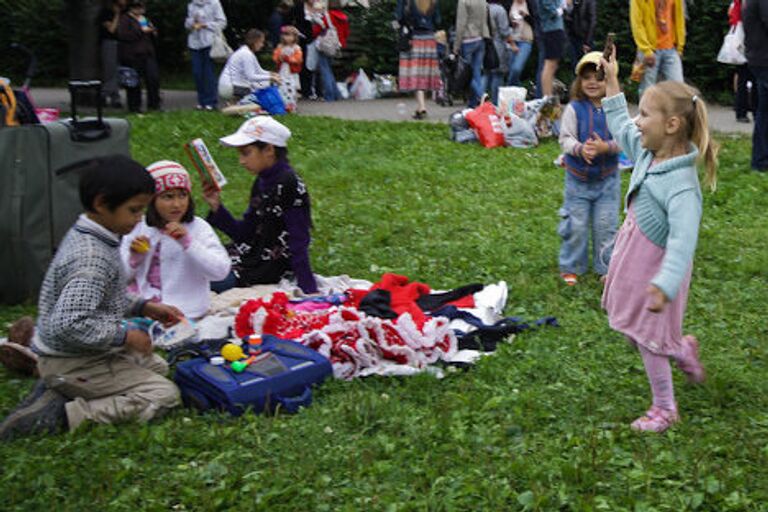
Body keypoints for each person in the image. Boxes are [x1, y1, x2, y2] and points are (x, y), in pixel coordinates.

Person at [0, 155, 183, 441]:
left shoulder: (97, 233)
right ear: (101, 203)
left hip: (85, 353)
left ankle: (57, 388)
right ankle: (62, 415)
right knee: (163, 393)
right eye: (134, 211)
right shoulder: (91, 258)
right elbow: (71, 324)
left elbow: (103, 298)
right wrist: (126, 337)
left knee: (158, 365)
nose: (138, 220)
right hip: (73, 359)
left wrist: (144, 307)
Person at [600, 48, 718, 433]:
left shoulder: (682, 188)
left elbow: (683, 244)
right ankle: (683, 350)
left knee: (648, 340)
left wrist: (664, 285)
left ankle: (665, 408)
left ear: (670, 125)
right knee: (637, 334)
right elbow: (620, 125)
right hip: (635, 265)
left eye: (645, 115)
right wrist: (613, 81)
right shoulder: (649, 154)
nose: (638, 121)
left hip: (658, 276)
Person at [203, 117, 319, 295]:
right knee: (197, 265)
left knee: (204, 278)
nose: (241, 161)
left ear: (269, 150)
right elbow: (245, 233)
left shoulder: (289, 183)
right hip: (248, 255)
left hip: (266, 268)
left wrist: (309, 289)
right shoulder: (262, 181)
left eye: (246, 153)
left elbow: (298, 239)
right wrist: (217, 207)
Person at [120, 161, 231, 320]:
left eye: (183, 195)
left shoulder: (199, 228)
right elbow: (119, 278)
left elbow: (220, 272)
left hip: (186, 313)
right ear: (152, 200)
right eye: (168, 197)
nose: (177, 204)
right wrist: (133, 259)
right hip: (144, 311)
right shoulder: (137, 227)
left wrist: (188, 243)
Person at [557, 51, 621, 286]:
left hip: (607, 181)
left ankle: (606, 268)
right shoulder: (574, 108)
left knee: (606, 226)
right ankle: (572, 266)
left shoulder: (616, 110)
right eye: (586, 78)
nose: (592, 83)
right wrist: (580, 149)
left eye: (599, 77)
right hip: (578, 181)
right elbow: (565, 138)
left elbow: (625, 139)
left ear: (611, 81)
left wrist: (607, 147)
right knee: (576, 225)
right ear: (579, 82)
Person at [395, 0, 442, 119]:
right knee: (425, 74)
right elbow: (438, 20)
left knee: (416, 74)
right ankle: (420, 106)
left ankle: (422, 107)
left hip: (414, 39)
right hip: (430, 39)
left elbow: (399, 17)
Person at [630, 0, 686, 97]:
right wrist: (647, 50)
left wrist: (680, 47)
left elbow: (679, 19)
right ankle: (645, 112)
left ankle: (673, 112)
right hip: (650, 50)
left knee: (679, 89)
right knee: (647, 91)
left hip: (671, 49)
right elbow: (637, 24)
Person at [118, 0, 161, 112]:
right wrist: (142, 31)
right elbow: (123, 36)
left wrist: (152, 32)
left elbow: (152, 34)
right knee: (134, 82)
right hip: (132, 54)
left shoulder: (144, 19)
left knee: (153, 79)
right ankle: (134, 107)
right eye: (138, 7)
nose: (141, 10)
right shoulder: (125, 20)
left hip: (147, 53)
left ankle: (154, 104)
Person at [185, 0, 227, 111]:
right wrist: (192, 22)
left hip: (210, 42)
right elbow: (187, 24)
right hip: (194, 43)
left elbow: (222, 22)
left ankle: (211, 102)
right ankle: (201, 101)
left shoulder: (214, 3)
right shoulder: (192, 5)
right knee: (197, 72)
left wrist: (205, 25)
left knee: (208, 73)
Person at [218, 29, 280, 104]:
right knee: (259, 95)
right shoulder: (246, 54)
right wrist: (271, 78)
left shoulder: (247, 52)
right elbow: (251, 76)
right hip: (231, 86)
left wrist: (271, 74)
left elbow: (259, 71)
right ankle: (235, 105)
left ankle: (235, 104)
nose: (262, 45)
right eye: (261, 42)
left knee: (261, 85)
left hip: (231, 85)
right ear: (255, 42)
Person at [742, 0, 768, 171]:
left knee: (764, 111)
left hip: (759, 58)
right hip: (765, 59)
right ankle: (760, 161)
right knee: (765, 113)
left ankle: (760, 160)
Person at [307, 0, 350, 102]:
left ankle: (329, 96)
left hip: (324, 46)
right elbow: (346, 33)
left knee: (325, 70)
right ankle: (337, 94)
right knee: (329, 69)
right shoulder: (344, 17)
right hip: (335, 46)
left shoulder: (327, 16)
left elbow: (316, 31)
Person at [454, 0, 490, 107]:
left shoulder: (463, 2)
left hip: (468, 39)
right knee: (477, 72)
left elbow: (461, 24)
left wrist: (456, 45)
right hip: (480, 38)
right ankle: (474, 103)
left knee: (467, 74)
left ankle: (481, 95)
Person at [484, 0, 513, 105]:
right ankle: (495, 103)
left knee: (486, 74)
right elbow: (504, 31)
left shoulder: (484, 8)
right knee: (498, 74)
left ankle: (480, 101)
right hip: (497, 45)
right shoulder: (499, 10)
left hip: (485, 44)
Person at [99, 0, 127, 109]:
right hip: (110, 42)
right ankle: (105, 94)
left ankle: (114, 95)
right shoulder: (106, 13)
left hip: (122, 43)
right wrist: (117, 15)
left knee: (118, 70)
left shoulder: (127, 12)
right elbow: (111, 29)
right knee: (110, 69)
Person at [538, 0, 566, 99]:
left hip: (555, 29)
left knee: (553, 65)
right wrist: (560, 8)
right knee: (550, 64)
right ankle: (547, 98)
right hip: (551, 30)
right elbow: (549, 7)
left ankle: (549, 97)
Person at [273, 25, 304, 112]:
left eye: (291, 35)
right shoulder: (280, 47)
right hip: (282, 70)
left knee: (292, 87)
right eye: (286, 35)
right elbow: (275, 57)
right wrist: (280, 58)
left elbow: (299, 59)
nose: (288, 38)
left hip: (291, 72)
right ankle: (284, 103)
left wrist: (289, 59)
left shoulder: (296, 48)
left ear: (295, 37)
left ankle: (292, 105)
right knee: (282, 87)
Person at [506, 0, 537, 86]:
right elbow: (504, 23)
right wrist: (511, 23)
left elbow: (536, 22)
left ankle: (508, 90)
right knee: (511, 70)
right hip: (512, 40)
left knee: (517, 69)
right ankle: (516, 95)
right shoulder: (509, 3)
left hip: (526, 40)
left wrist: (526, 16)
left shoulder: (530, 4)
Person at [563, 0, 596, 69]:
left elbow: (592, 22)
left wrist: (587, 42)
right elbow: (567, 18)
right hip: (572, 37)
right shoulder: (572, 2)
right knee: (575, 65)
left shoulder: (590, 2)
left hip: (584, 38)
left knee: (586, 65)